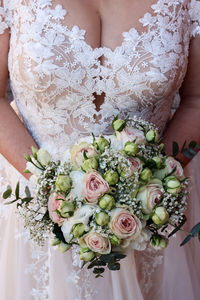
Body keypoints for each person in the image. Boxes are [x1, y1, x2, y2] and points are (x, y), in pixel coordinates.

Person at [0, 0, 200, 299]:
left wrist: (148, 189)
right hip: (32, 206)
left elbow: (196, 99)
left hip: (148, 222)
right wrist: (51, 190)